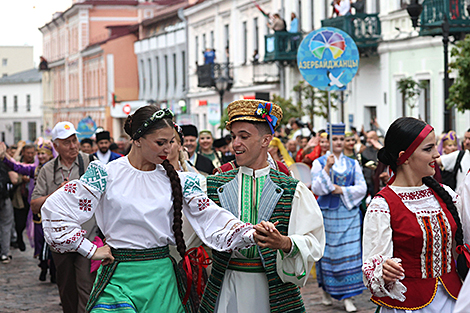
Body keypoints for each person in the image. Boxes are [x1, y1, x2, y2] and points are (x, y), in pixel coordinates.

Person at [40, 106, 271, 312]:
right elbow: (56, 209)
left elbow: (210, 216)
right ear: (137, 140)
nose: (168, 149)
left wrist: (251, 233)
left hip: (161, 279)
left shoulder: (178, 181)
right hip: (119, 275)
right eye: (161, 143)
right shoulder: (106, 174)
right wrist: (90, 250)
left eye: (171, 141)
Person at [199, 99, 326, 313]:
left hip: (274, 291)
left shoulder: (292, 188)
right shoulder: (213, 185)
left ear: (266, 140)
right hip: (226, 288)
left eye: (244, 136)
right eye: (234, 137)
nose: (235, 144)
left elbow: (314, 241)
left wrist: (285, 243)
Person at [362, 117, 464, 312]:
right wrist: (383, 271)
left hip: (453, 298)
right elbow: (372, 266)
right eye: (428, 149)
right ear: (405, 156)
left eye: (435, 147)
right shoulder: (382, 205)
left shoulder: (446, 194)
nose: (437, 154)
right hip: (409, 304)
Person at [31, 121, 98, 313]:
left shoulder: (91, 163)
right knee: (66, 287)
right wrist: (57, 194)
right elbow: (34, 205)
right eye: (67, 142)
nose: (73, 146)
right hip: (60, 240)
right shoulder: (46, 170)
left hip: (87, 236)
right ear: (55, 146)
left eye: (74, 140)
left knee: (87, 285)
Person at [311, 123, 367, 312]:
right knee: (329, 254)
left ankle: (348, 296)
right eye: (335, 139)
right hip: (328, 215)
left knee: (350, 253)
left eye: (341, 139)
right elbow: (318, 188)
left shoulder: (353, 163)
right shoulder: (319, 162)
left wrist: (340, 189)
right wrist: (327, 168)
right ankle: (327, 290)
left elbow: (362, 187)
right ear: (328, 142)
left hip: (349, 214)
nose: (339, 142)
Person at [0, 140, 56, 280]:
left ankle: (54, 271)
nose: (42, 156)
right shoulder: (35, 169)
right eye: (40, 153)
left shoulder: (57, 170)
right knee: (40, 240)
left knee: (54, 243)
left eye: (45, 153)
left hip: (55, 212)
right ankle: (44, 266)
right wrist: (4, 156)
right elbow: (17, 167)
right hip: (39, 212)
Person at [0, 159, 17, 263]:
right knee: (6, 225)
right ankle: (4, 253)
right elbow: (14, 179)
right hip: (4, 198)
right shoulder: (5, 163)